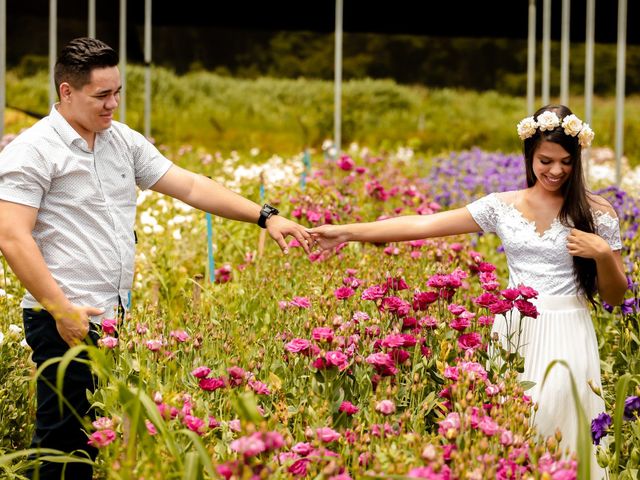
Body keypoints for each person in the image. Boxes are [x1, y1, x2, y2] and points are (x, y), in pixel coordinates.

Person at [0, 37, 312, 480]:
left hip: (111, 316)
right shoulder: (32, 151)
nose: (113, 105)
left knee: (93, 438)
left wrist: (264, 216)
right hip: (63, 317)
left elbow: (188, 186)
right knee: (60, 442)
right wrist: (59, 308)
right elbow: (12, 237)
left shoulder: (121, 140)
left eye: (118, 92)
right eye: (102, 96)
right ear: (66, 92)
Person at [309, 105, 627, 478]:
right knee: (515, 427)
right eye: (545, 160)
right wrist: (345, 232)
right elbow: (423, 225)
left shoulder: (597, 212)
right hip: (515, 330)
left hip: (568, 329)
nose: (555, 170)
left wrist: (603, 254)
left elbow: (615, 296)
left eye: (566, 162)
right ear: (530, 155)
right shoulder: (503, 206)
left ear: (578, 160)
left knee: (558, 420)